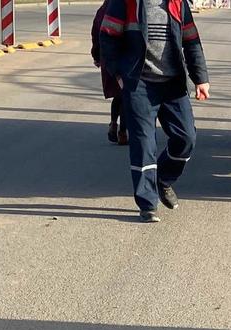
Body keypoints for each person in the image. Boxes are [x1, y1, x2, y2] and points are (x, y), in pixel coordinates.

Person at [98, 0, 210, 223]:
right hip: (139, 83)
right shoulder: (126, 3)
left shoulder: (178, 3)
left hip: (172, 84)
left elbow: (191, 40)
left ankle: (164, 178)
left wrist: (201, 78)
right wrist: (119, 75)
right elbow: (107, 36)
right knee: (143, 144)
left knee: (186, 137)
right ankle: (148, 204)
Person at [90, 2, 127, 145]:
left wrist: (96, 56)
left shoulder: (102, 11)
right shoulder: (126, 7)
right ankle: (123, 132)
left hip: (107, 60)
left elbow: (96, 35)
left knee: (118, 95)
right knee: (126, 95)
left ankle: (113, 123)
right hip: (125, 58)